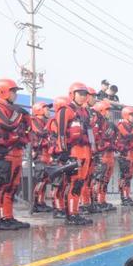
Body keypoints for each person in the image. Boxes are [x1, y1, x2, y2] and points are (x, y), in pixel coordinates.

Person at [0, 78, 31, 230]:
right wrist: (19, 113)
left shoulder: (13, 109)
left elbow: (25, 129)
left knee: (12, 187)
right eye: (13, 91)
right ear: (3, 91)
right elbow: (8, 124)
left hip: (16, 153)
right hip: (4, 154)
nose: (15, 95)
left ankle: (8, 217)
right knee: (2, 187)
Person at [56, 82, 94, 225]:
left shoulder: (85, 112)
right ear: (72, 94)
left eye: (85, 94)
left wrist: (93, 149)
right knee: (73, 183)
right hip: (73, 151)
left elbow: (89, 133)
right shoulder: (65, 110)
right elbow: (61, 133)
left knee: (80, 183)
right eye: (80, 93)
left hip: (85, 151)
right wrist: (63, 152)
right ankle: (70, 214)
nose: (83, 96)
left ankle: (75, 212)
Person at [90, 101, 117, 211]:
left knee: (105, 180)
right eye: (107, 110)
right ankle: (95, 201)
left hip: (108, 154)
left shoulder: (107, 123)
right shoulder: (96, 121)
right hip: (101, 154)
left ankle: (101, 200)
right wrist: (103, 144)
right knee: (98, 179)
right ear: (101, 110)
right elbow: (96, 138)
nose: (109, 113)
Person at [48, 96, 71, 219]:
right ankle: (57, 209)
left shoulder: (59, 120)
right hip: (57, 155)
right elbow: (59, 136)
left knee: (63, 183)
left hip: (62, 154)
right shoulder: (55, 121)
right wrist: (63, 150)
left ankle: (61, 207)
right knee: (58, 184)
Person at [30, 101, 53, 213]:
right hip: (39, 154)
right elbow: (42, 134)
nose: (48, 111)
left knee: (44, 180)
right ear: (39, 110)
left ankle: (41, 202)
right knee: (40, 180)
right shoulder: (34, 121)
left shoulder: (45, 122)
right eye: (46, 109)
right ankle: (35, 203)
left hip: (46, 154)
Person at [116, 106, 133, 206]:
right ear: (126, 115)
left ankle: (127, 196)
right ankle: (123, 197)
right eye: (132, 115)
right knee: (124, 176)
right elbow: (127, 135)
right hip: (125, 155)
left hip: (132, 154)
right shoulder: (121, 124)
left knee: (129, 177)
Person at [80, 87, 98, 214]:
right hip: (81, 149)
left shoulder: (91, 112)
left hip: (90, 148)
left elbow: (93, 132)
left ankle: (88, 202)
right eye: (93, 96)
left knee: (89, 178)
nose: (94, 99)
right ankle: (83, 203)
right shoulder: (81, 111)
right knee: (81, 178)